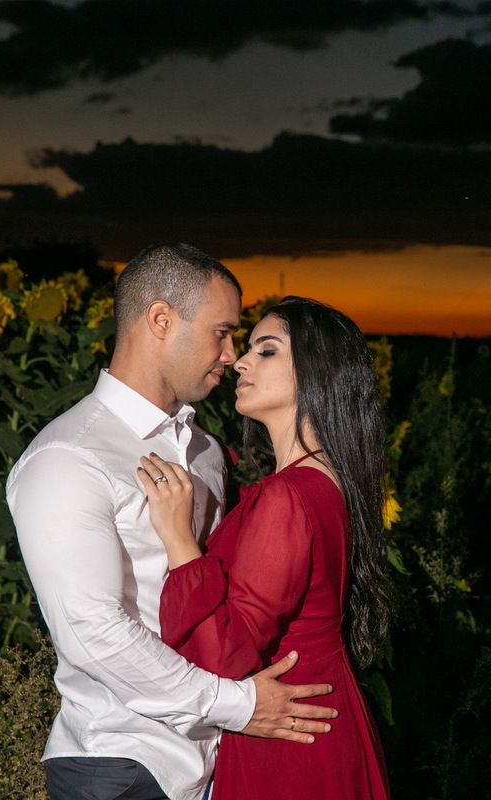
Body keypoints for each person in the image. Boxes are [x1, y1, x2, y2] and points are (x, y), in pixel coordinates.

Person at [7, 244, 338, 800]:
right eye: (223, 332)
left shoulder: (206, 451)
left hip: (221, 762)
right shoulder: (67, 458)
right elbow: (93, 631)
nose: (233, 355)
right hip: (123, 765)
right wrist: (237, 704)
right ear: (161, 319)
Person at [135, 296, 391, 799]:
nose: (241, 362)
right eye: (247, 348)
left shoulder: (289, 495)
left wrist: (180, 540)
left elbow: (224, 657)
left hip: (288, 735)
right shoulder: (326, 479)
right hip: (319, 717)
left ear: (317, 374)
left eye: (266, 351)